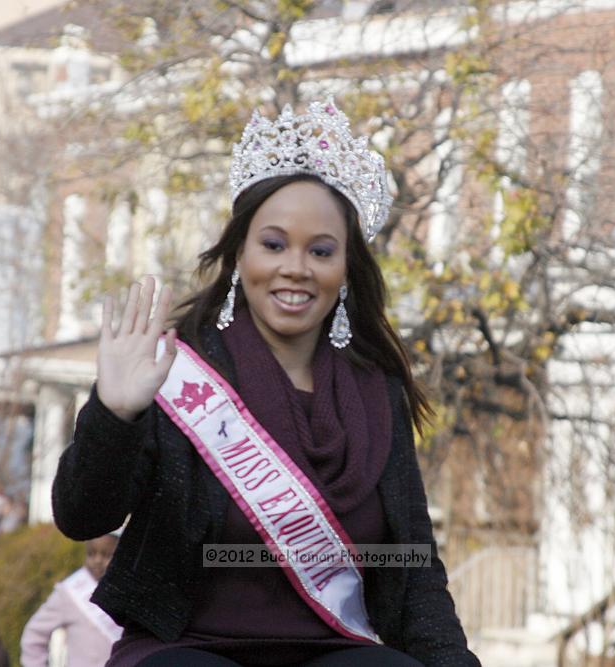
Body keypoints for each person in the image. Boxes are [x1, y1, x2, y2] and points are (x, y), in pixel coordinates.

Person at [52, 98, 479, 666]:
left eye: (321, 251)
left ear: (346, 269)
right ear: (239, 255)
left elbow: (413, 568)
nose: (295, 268)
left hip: (332, 650)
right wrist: (115, 414)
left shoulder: (377, 392)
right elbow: (82, 516)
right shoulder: (169, 370)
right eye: (273, 244)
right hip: (187, 647)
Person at [20, 533, 123, 666]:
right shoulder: (70, 593)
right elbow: (33, 634)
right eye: (91, 554)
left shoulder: (127, 592)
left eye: (107, 555)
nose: (97, 560)